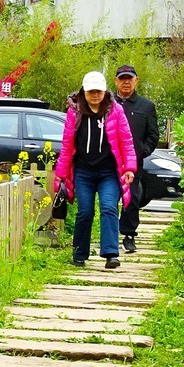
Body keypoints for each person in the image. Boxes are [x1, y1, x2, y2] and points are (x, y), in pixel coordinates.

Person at [53, 71, 138, 269]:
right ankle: (79, 253)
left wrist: (129, 168)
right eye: (91, 91)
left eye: (98, 91)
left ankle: (111, 254)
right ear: (84, 91)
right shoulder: (75, 112)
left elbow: (126, 141)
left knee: (109, 208)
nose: (95, 95)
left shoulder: (115, 110)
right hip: (83, 172)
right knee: (85, 211)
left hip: (109, 172)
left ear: (104, 91)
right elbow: (67, 145)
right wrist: (61, 174)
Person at [113, 64, 159, 253]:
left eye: (129, 78)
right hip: (110, 161)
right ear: (116, 81)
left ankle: (129, 234)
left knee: (132, 198)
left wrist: (141, 152)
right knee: (109, 198)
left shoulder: (146, 106)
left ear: (136, 81)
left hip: (133, 163)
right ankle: (109, 235)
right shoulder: (108, 103)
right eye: (122, 78)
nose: (126, 82)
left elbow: (153, 135)